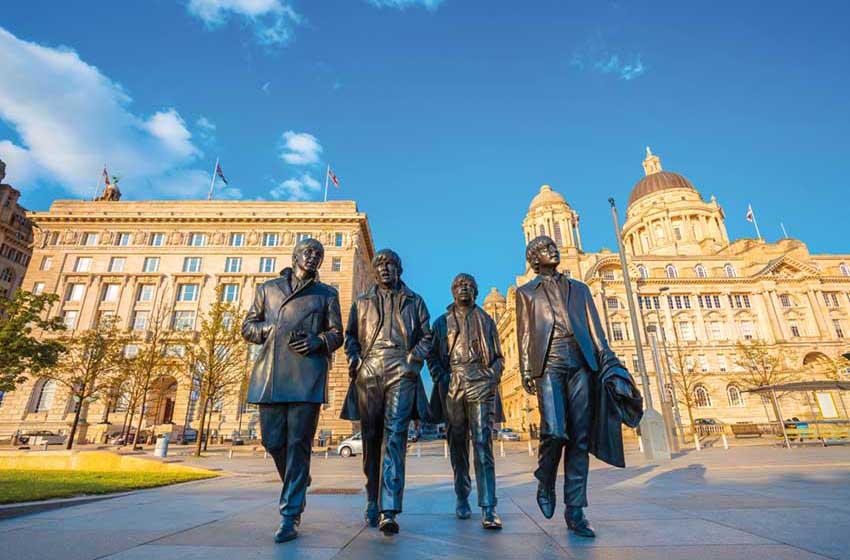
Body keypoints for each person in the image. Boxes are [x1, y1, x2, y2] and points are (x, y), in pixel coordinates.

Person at [516, 235, 641, 538]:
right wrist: (526, 370)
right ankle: (545, 478)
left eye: (552, 246)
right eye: (545, 248)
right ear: (534, 259)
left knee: (580, 440)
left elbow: (596, 331)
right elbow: (524, 334)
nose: (553, 250)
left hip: (582, 362)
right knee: (555, 431)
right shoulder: (525, 293)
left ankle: (575, 510)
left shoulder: (580, 289)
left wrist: (609, 363)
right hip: (549, 362)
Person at [241, 238, 343, 543]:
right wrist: (268, 330)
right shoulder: (268, 289)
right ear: (295, 255)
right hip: (270, 374)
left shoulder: (327, 294)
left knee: (299, 445)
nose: (314, 257)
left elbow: (337, 333)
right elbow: (247, 326)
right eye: (308, 251)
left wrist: (318, 342)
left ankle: (290, 514)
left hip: (307, 375)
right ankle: (298, 478)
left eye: (319, 254)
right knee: (272, 441)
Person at [340, 249, 432, 535]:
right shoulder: (362, 302)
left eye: (391, 264)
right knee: (371, 438)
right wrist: (355, 359)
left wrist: (413, 361)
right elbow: (351, 337)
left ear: (399, 269)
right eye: (380, 265)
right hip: (369, 369)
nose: (385, 269)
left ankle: (388, 509)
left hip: (400, 369)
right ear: (375, 271)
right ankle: (371, 497)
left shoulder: (415, 301)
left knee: (395, 436)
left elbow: (427, 336)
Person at [428, 273, 504, 530]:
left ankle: (489, 506)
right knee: (458, 444)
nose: (465, 288)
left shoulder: (486, 320)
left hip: (480, 382)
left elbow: (499, 358)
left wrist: (491, 376)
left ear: (476, 292)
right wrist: (443, 377)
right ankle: (462, 495)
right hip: (454, 384)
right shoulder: (441, 323)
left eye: (470, 286)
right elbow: (432, 357)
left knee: (483, 443)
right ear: (452, 291)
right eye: (460, 285)